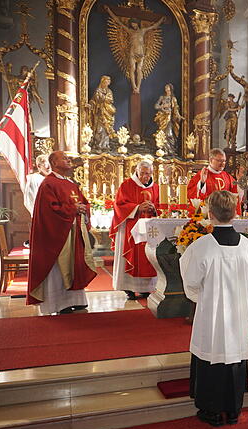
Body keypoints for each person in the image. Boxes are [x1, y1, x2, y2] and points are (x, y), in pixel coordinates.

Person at [180, 190, 248, 427]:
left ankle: (211, 410)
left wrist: (200, 295)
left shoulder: (202, 246)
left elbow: (191, 282)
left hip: (212, 312)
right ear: (235, 213)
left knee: (211, 354)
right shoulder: (247, 246)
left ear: (210, 213)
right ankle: (233, 410)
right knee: (234, 355)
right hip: (239, 312)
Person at [27, 151, 97, 315]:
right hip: (57, 235)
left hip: (73, 230)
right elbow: (49, 211)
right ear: (53, 162)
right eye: (64, 158)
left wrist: (83, 209)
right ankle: (58, 303)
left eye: (68, 158)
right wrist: (73, 209)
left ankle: (76, 300)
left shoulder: (71, 184)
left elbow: (84, 203)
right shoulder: (48, 184)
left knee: (75, 264)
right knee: (59, 267)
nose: (68, 160)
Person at [110, 160, 160, 300]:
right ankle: (129, 288)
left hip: (150, 227)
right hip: (130, 227)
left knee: (148, 255)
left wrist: (153, 208)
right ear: (137, 171)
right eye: (143, 173)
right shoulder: (127, 185)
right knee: (132, 254)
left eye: (148, 174)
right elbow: (119, 205)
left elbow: (161, 203)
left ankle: (146, 288)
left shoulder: (155, 187)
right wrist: (137, 208)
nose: (145, 176)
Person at [186, 149, 239, 216]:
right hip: (208, 214)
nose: (222, 164)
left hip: (225, 215)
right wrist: (202, 182)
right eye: (219, 161)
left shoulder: (227, 176)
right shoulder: (201, 175)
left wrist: (239, 182)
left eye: (224, 161)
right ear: (211, 160)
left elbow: (235, 195)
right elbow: (191, 194)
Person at [88, 75, 116, 152]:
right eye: (106, 81)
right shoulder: (98, 90)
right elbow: (94, 100)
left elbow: (110, 100)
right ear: (102, 82)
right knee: (99, 129)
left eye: (108, 82)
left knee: (106, 130)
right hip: (99, 112)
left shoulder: (109, 91)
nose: (107, 83)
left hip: (107, 112)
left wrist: (103, 98)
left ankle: (105, 145)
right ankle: (98, 145)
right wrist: (91, 105)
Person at [153, 83, 183, 155]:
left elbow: (176, 109)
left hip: (169, 117)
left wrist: (179, 116)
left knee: (169, 134)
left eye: (167, 87)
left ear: (171, 88)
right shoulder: (162, 97)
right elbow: (156, 106)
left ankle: (171, 150)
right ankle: (163, 150)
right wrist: (163, 106)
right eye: (165, 87)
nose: (166, 89)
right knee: (162, 133)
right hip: (162, 117)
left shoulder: (173, 99)